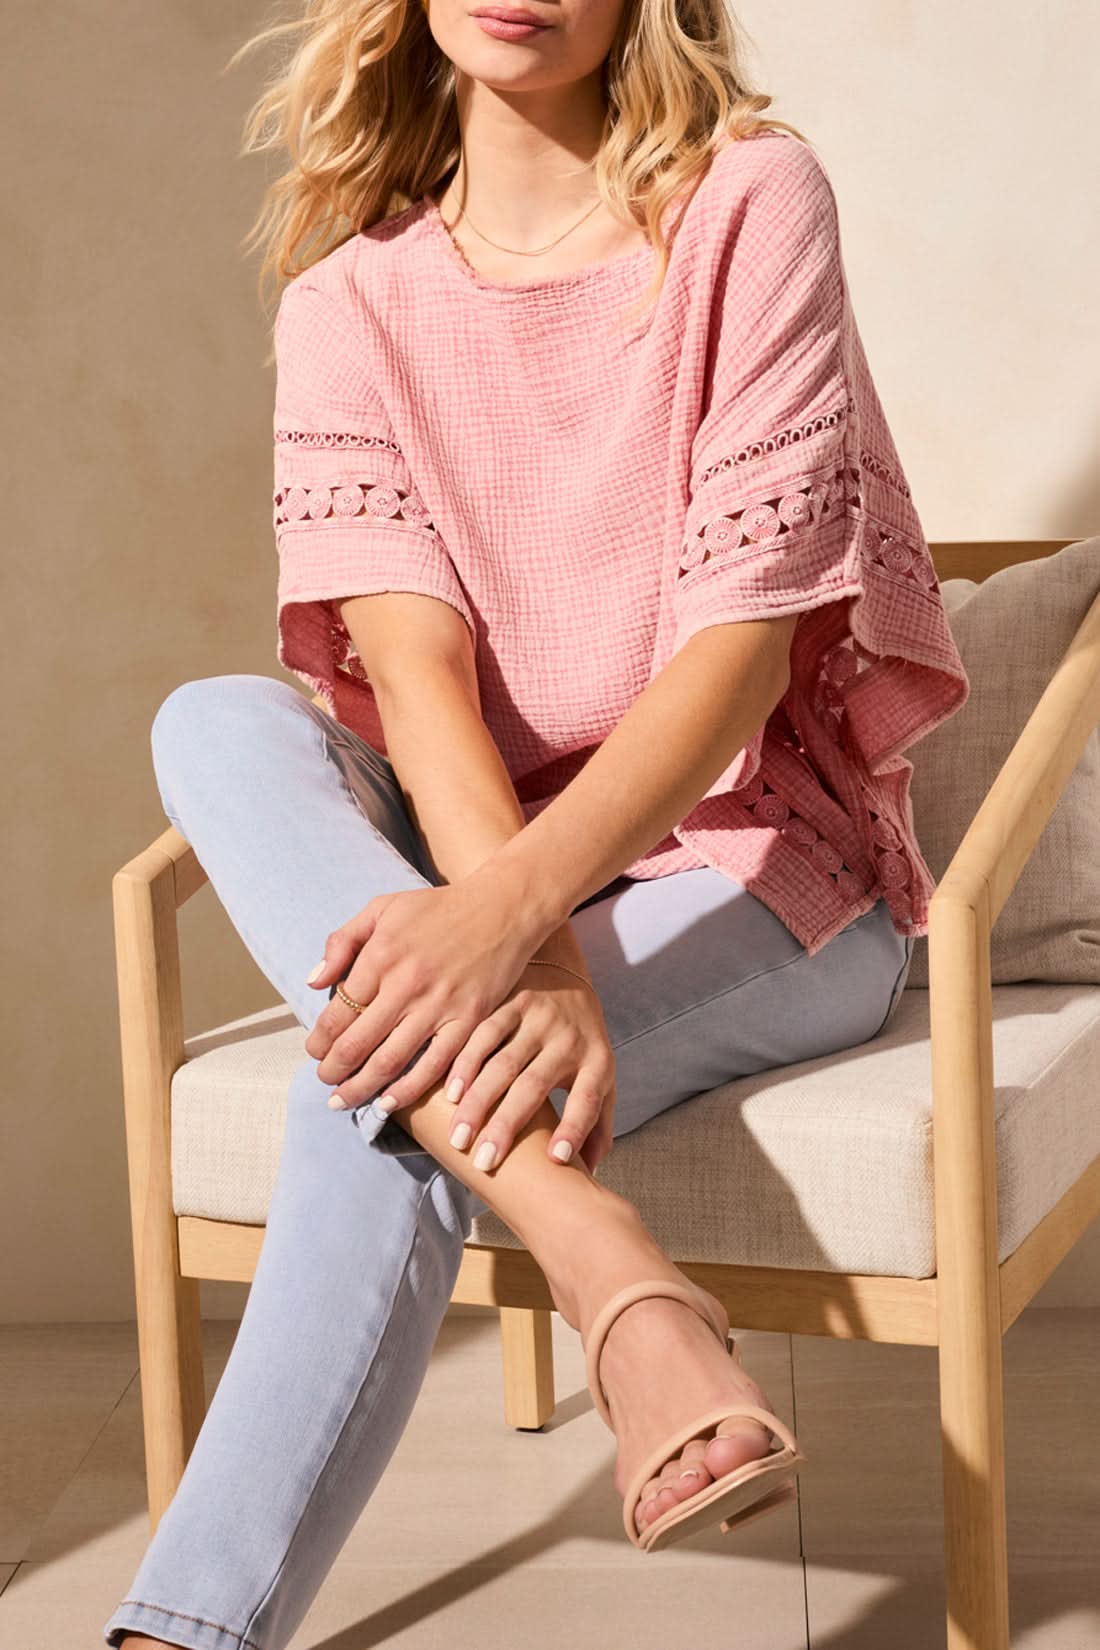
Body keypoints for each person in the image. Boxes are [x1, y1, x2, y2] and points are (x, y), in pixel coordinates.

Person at [104, 0, 969, 1644]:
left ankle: (183, 1631)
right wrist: (529, 939)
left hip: (760, 868)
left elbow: (738, 661)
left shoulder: (751, 204)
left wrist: (512, 924)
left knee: (367, 1086)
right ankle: (613, 1273)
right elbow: (415, 673)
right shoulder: (351, 298)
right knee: (213, 721)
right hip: (488, 852)